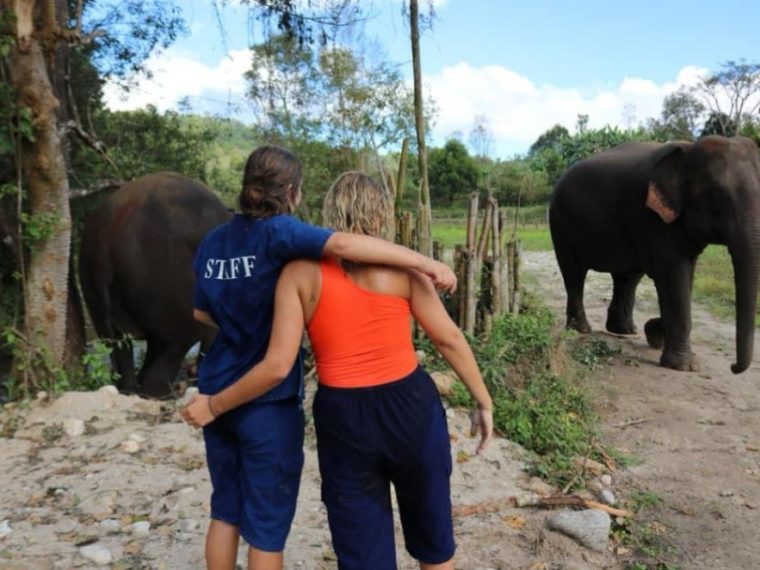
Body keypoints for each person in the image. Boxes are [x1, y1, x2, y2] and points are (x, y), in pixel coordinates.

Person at [183, 171, 493, 570]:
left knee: (362, 551)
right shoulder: (405, 268)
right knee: (434, 540)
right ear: (381, 214)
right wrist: (482, 400)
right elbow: (448, 339)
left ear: (331, 211)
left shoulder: (298, 273)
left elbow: (277, 362)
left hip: (343, 418)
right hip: (411, 409)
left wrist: (219, 400)